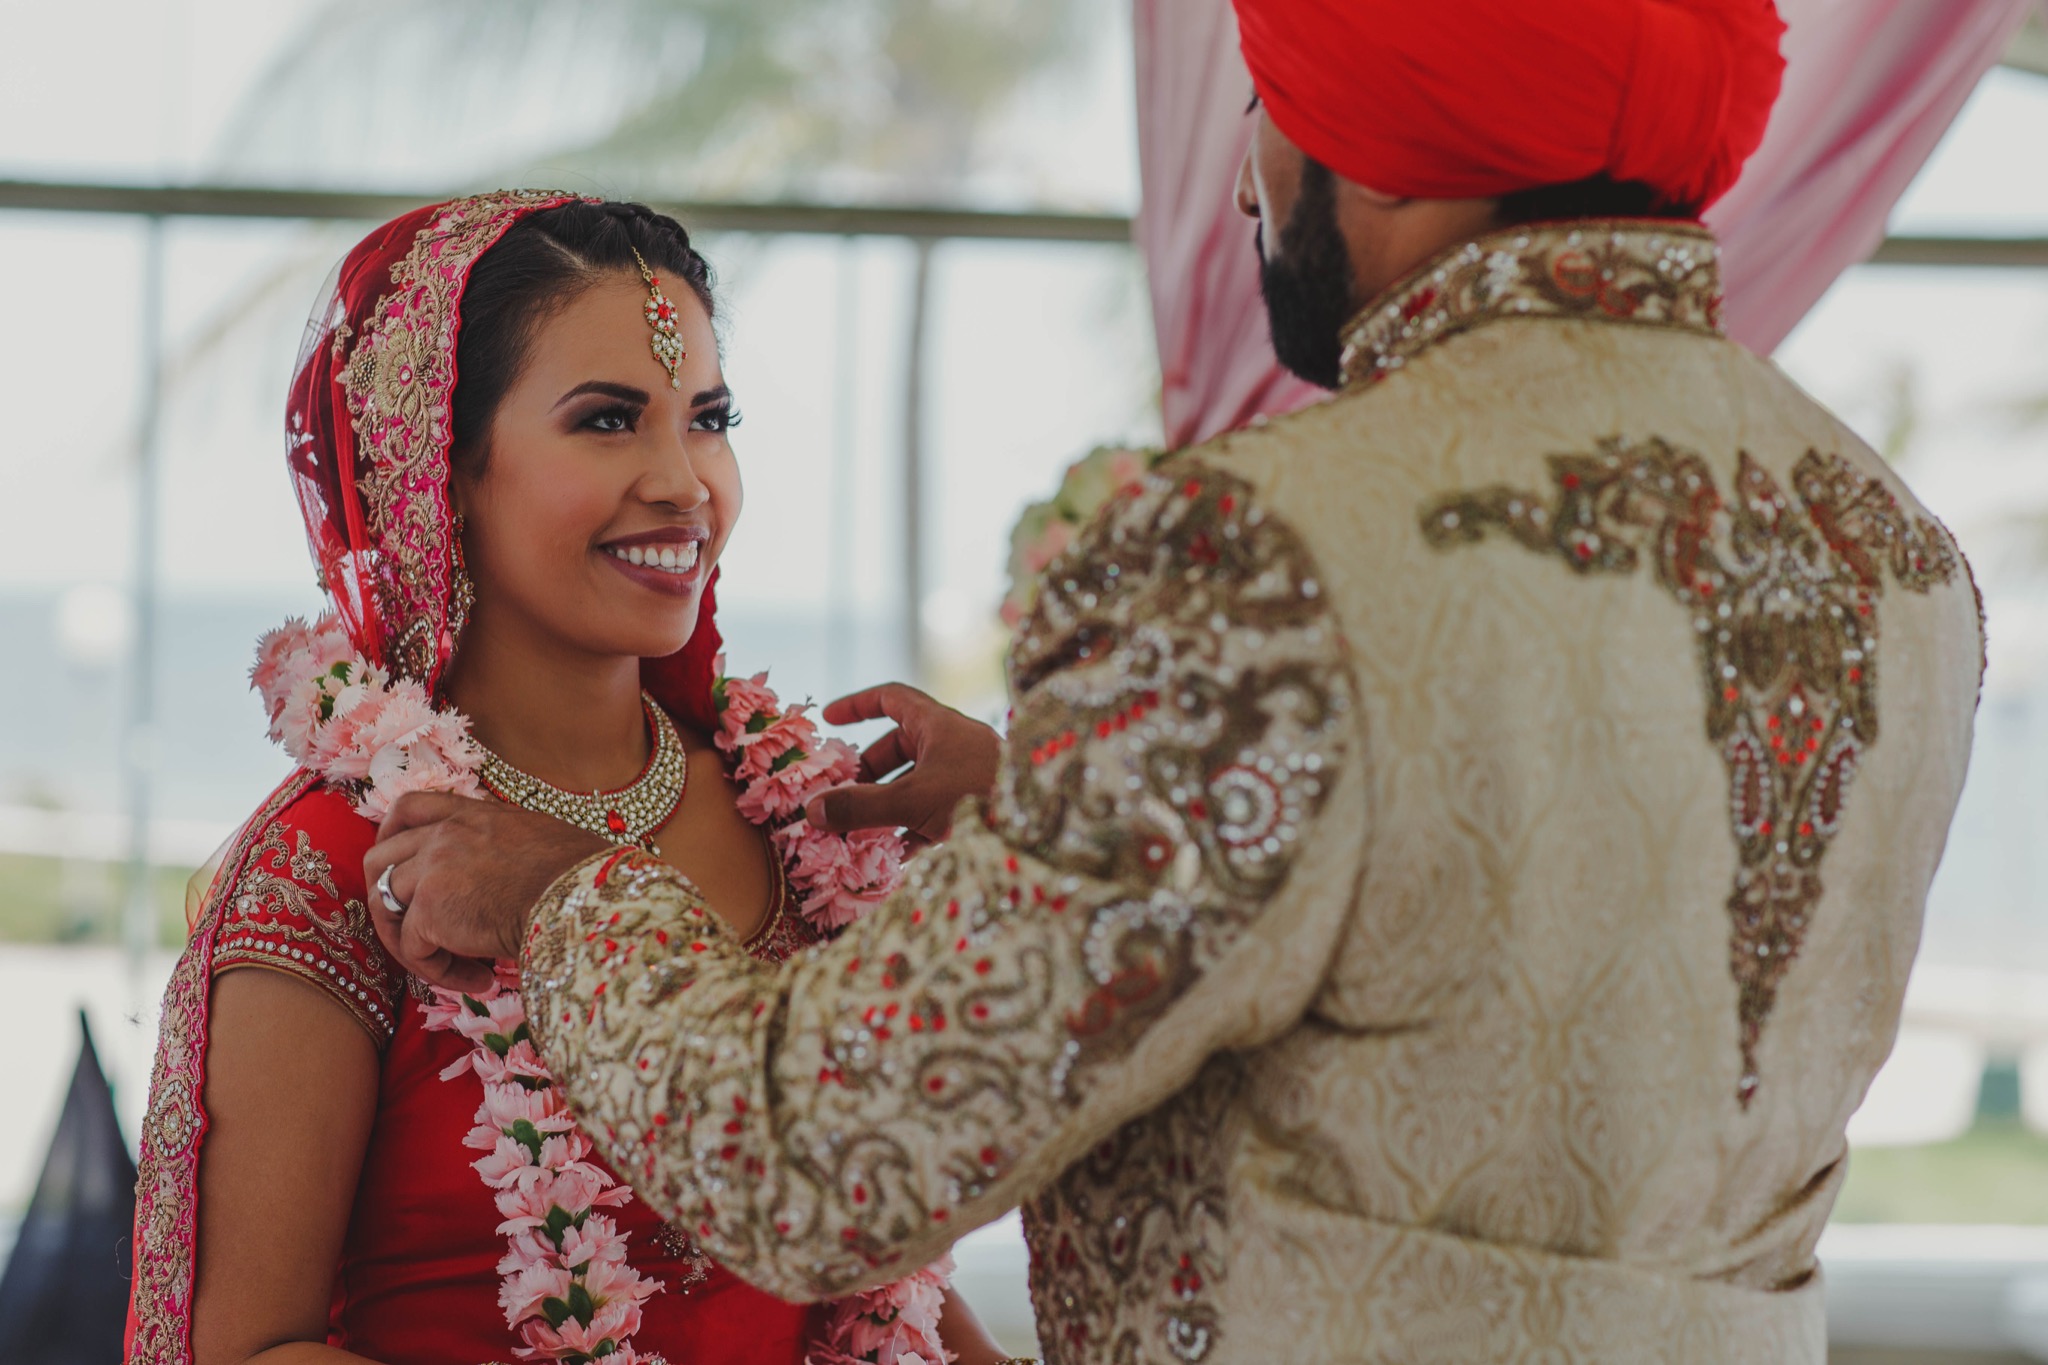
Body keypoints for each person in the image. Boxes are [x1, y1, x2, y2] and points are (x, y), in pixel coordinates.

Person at [365, 2, 1989, 1359]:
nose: (1244, 187)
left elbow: (821, 1163)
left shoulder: (1260, 541)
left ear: (1386, 143)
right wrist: (1047, 798)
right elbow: (1543, 896)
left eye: (1272, 112)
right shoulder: (1887, 551)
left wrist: (570, 895)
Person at [125, 192, 1010, 1365]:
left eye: (709, 417)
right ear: (439, 471)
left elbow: (870, 1263)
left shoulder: (806, 818)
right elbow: (243, 1351)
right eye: (606, 421)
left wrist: (1033, 824)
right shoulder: (342, 863)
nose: (684, 482)